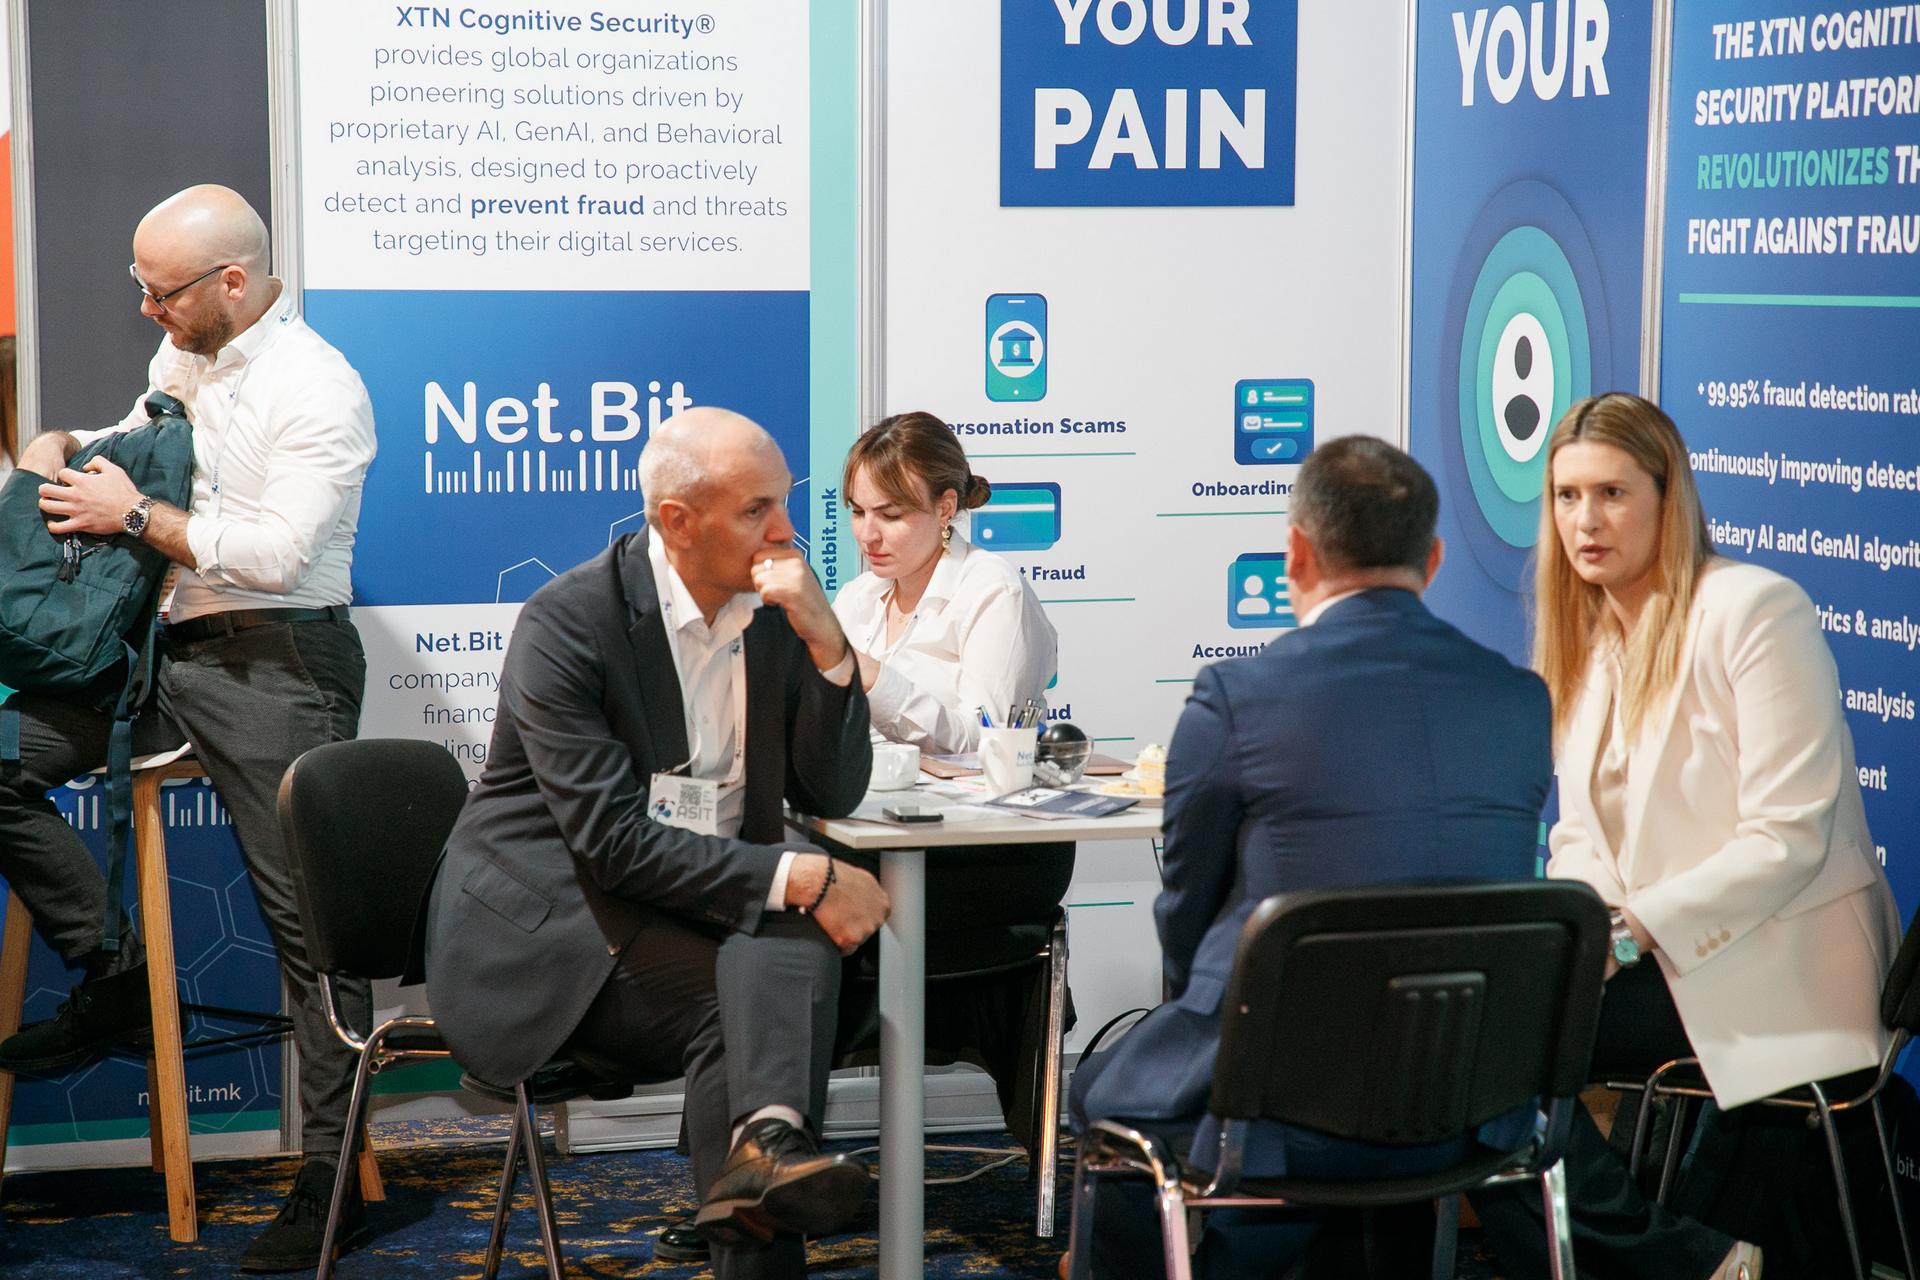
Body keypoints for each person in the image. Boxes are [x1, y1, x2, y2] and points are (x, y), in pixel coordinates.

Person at [1066, 436, 1554, 1277]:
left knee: (1100, 1092)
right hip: (1471, 1106)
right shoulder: (1521, 698)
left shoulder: (1236, 697)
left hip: (1278, 1110)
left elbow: (1188, 906)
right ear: (1434, 559)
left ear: (1295, 552)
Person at [0, 185, 377, 1272]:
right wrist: (61, 443)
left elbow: (280, 555)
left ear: (232, 282)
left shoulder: (319, 385)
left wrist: (134, 515)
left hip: (279, 659)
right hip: (166, 658)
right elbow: (135, 438)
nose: (148, 309)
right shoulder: (186, 356)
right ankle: (113, 972)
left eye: (162, 292)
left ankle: (332, 1179)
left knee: (310, 930)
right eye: (141, 286)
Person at [425, 407, 887, 1280]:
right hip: (552, 927)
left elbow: (831, 792)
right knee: (755, 976)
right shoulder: (570, 622)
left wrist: (830, 645)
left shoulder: (774, 609)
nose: (785, 531)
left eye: (784, 503)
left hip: (688, 905)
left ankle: (767, 1144)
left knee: (781, 942)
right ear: (678, 521)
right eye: (756, 510)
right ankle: (767, 1153)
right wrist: (802, 878)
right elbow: (612, 844)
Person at [1474, 393, 1902, 1280]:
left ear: (1668, 499)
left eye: (1612, 494)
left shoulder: (1755, 610)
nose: (1585, 521)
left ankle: (1670, 1261)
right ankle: (1691, 1261)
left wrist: (1627, 935)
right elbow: (1581, 838)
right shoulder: (1591, 639)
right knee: (1471, 1046)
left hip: (1779, 961)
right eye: (1566, 497)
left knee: (1492, 1052)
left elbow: (1789, 838)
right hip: (1665, 960)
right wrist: (1586, 929)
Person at [826, 410, 1069, 1145]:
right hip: (877, 839)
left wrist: (872, 677)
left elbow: (978, 739)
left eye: (891, 514)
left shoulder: (993, 588)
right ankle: (762, 1150)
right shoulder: (859, 599)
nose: (869, 535)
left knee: (795, 917)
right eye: (858, 513)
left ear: (945, 509)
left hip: (985, 856)